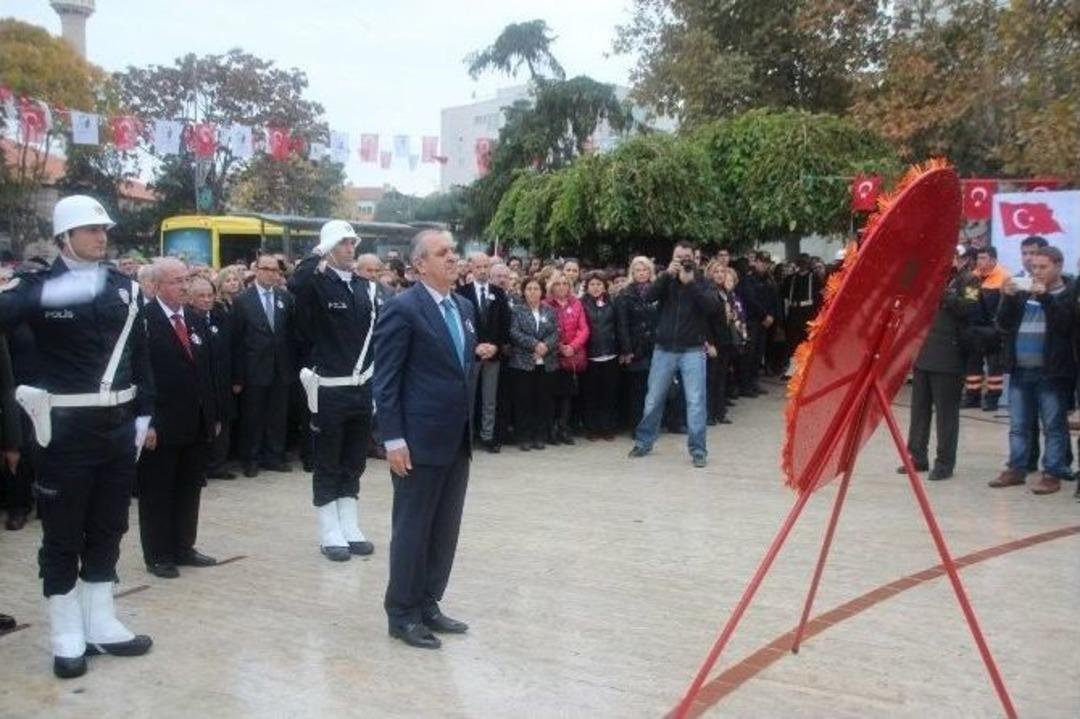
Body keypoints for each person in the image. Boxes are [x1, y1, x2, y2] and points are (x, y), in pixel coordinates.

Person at [0, 195, 154, 678]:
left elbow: (140, 356)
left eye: (103, 229)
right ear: (64, 237)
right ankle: (66, 631)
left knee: (110, 526)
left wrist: (146, 414)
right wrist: (39, 296)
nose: (100, 236)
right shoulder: (37, 286)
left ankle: (100, 620)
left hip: (118, 427)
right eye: (90, 230)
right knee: (64, 532)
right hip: (66, 431)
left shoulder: (125, 289)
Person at [373, 230, 478, 650]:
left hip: (456, 439)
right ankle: (402, 613)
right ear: (419, 265)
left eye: (453, 251)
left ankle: (428, 602)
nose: (453, 257)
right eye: (442, 252)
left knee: (444, 530)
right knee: (413, 530)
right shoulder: (402, 309)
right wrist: (393, 439)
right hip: (416, 442)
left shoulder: (463, 307)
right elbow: (386, 380)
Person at [289, 220, 378, 562]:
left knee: (354, 460)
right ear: (328, 247)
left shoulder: (365, 288)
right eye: (342, 243)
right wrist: (319, 251)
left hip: (361, 388)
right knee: (328, 461)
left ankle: (349, 525)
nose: (349, 248)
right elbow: (296, 283)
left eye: (352, 243)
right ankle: (329, 530)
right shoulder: (316, 284)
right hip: (329, 389)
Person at [137, 258, 219, 579]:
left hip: (194, 420)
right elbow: (139, 374)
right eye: (176, 281)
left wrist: (212, 414)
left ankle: (184, 546)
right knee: (158, 490)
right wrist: (147, 420)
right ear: (156, 286)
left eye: (186, 279)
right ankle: (158, 554)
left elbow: (208, 372)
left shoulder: (195, 320)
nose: (184, 286)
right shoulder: (144, 321)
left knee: (188, 488)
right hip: (162, 422)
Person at [991, 246, 1075, 495]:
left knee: (1053, 426)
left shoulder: (1068, 293)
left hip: (1051, 372)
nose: (1036, 271)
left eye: (1042, 267)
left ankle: (1052, 473)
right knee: (1018, 424)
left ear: (1058, 266)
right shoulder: (1023, 291)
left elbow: (1065, 325)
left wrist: (1046, 297)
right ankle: (1016, 468)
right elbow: (1003, 324)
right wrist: (1007, 297)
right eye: (1034, 267)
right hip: (1020, 369)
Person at [628, 241, 720, 468]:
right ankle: (644, 441)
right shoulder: (666, 279)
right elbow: (648, 296)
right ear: (672, 257)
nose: (683, 261)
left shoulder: (703, 282)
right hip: (664, 348)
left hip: (693, 349)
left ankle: (698, 450)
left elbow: (712, 308)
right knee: (653, 398)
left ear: (695, 258)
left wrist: (691, 284)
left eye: (687, 257)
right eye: (679, 257)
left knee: (696, 401)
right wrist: (666, 275)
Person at [903, 248, 977, 482]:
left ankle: (944, 462)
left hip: (949, 356)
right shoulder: (929, 279)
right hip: (924, 352)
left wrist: (944, 294)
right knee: (919, 409)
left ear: (960, 259)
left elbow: (969, 308)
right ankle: (917, 456)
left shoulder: (970, 280)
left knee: (946, 414)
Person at [230, 253, 295, 477]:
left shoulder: (285, 298)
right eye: (265, 269)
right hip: (253, 368)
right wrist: (237, 376)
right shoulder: (242, 300)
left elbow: (290, 334)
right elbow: (236, 341)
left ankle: (274, 456)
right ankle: (251, 458)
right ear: (256, 270)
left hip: (281, 368)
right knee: (253, 416)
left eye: (274, 270)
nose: (270, 274)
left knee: (277, 415)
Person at [457, 252, 510, 453]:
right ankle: (468, 436)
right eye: (478, 267)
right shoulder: (462, 292)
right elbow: (461, 323)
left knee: (490, 399)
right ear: (471, 268)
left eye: (485, 267)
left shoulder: (498, 292)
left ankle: (488, 436)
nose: (482, 271)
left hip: (493, 354)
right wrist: (475, 346)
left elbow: (505, 323)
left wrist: (495, 345)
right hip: (472, 354)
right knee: (468, 397)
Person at [190, 276, 235, 480]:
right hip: (200, 383)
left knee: (223, 423)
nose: (207, 300)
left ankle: (218, 465)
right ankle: (199, 469)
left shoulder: (221, 317)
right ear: (191, 298)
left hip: (222, 380)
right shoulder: (187, 320)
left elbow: (234, 348)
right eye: (201, 296)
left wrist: (236, 378)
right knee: (202, 425)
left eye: (210, 295)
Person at [507, 277, 559, 450]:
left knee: (543, 400)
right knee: (524, 401)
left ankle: (540, 435)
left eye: (536, 288)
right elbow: (514, 332)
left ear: (542, 292)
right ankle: (524, 436)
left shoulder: (550, 311)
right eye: (529, 288)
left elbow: (556, 332)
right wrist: (535, 344)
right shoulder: (517, 310)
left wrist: (545, 346)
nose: (532, 292)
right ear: (523, 291)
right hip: (523, 362)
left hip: (546, 362)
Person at [963, 246, 1010, 411]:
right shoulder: (973, 276)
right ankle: (972, 397)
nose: (979, 262)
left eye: (983, 258)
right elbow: (969, 301)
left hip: (994, 329)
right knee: (972, 364)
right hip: (975, 328)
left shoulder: (1004, 276)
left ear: (993, 259)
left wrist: (999, 327)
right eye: (978, 258)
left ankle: (992, 399)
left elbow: (1005, 306)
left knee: (994, 366)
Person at [615, 257, 658, 432]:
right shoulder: (625, 294)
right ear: (632, 272)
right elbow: (622, 325)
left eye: (645, 270)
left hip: (654, 347)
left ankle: (651, 424)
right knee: (636, 390)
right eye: (638, 270)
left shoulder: (657, 291)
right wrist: (627, 350)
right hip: (635, 348)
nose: (641, 273)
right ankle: (636, 425)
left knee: (653, 389)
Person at [580, 271, 619, 440]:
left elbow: (618, 325)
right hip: (591, 355)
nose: (596, 288)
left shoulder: (612, 302)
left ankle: (607, 427)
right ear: (587, 287)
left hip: (610, 354)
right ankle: (592, 428)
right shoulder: (581, 304)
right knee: (591, 394)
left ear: (605, 286)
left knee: (609, 393)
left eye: (599, 284)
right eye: (592, 284)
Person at [705, 262, 738, 426]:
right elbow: (705, 321)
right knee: (711, 378)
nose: (719, 274)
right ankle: (709, 414)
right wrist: (709, 343)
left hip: (725, 339)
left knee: (721, 377)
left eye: (722, 271)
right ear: (710, 274)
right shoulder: (708, 293)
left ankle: (720, 411)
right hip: (713, 340)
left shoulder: (725, 292)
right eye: (716, 271)